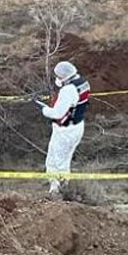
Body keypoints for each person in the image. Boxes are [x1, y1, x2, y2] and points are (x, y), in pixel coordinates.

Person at [34, 61, 90, 196]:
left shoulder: (68, 90)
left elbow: (57, 113)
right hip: (77, 126)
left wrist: (43, 109)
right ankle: (63, 187)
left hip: (65, 130)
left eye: (58, 76)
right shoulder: (83, 82)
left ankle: (57, 191)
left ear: (64, 77)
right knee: (65, 159)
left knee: (55, 161)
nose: (56, 79)